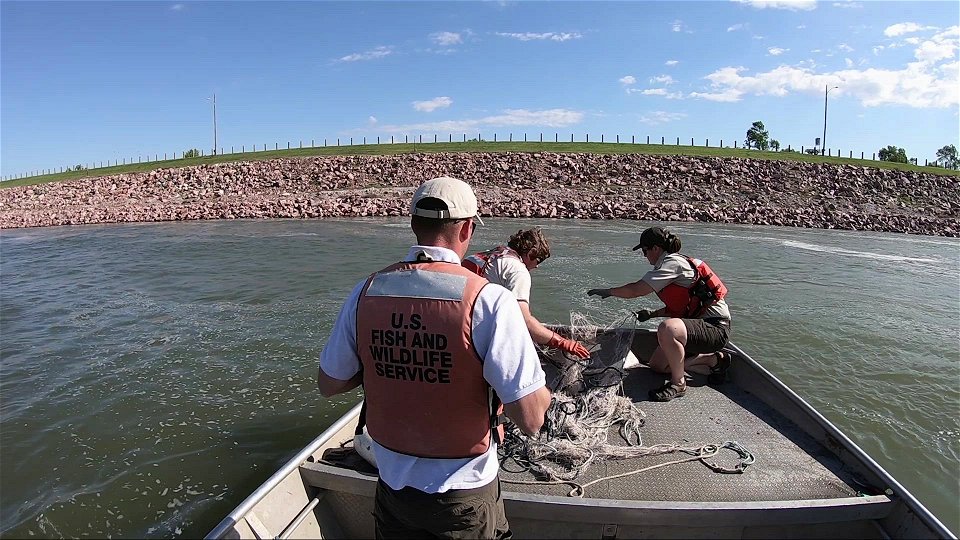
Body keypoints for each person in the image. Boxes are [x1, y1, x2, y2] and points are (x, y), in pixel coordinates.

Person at [317, 176, 551, 539]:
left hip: (392, 490)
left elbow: (329, 384)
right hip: (463, 496)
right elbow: (532, 418)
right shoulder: (490, 301)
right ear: (467, 228)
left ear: (413, 224)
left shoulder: (365, 292)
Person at [586, 226, 732, 402]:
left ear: (656, 248)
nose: (644, 255)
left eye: (645, 251)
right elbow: (683, 307)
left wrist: (609, 292)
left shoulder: (672, 263)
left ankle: (678, 384)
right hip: (697, 328)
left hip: (715, 328)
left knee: (667, 328)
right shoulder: (671, 265)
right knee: (657, 366)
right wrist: (652, 314)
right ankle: (714, 361)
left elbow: (636, 290)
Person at [463, 228, 591, 359]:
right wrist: (562, 342)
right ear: (531, 253)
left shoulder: (474, 257)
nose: (537, 266)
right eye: (539, 260)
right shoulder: (518, 270)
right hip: (475, 339)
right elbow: (524, 320)